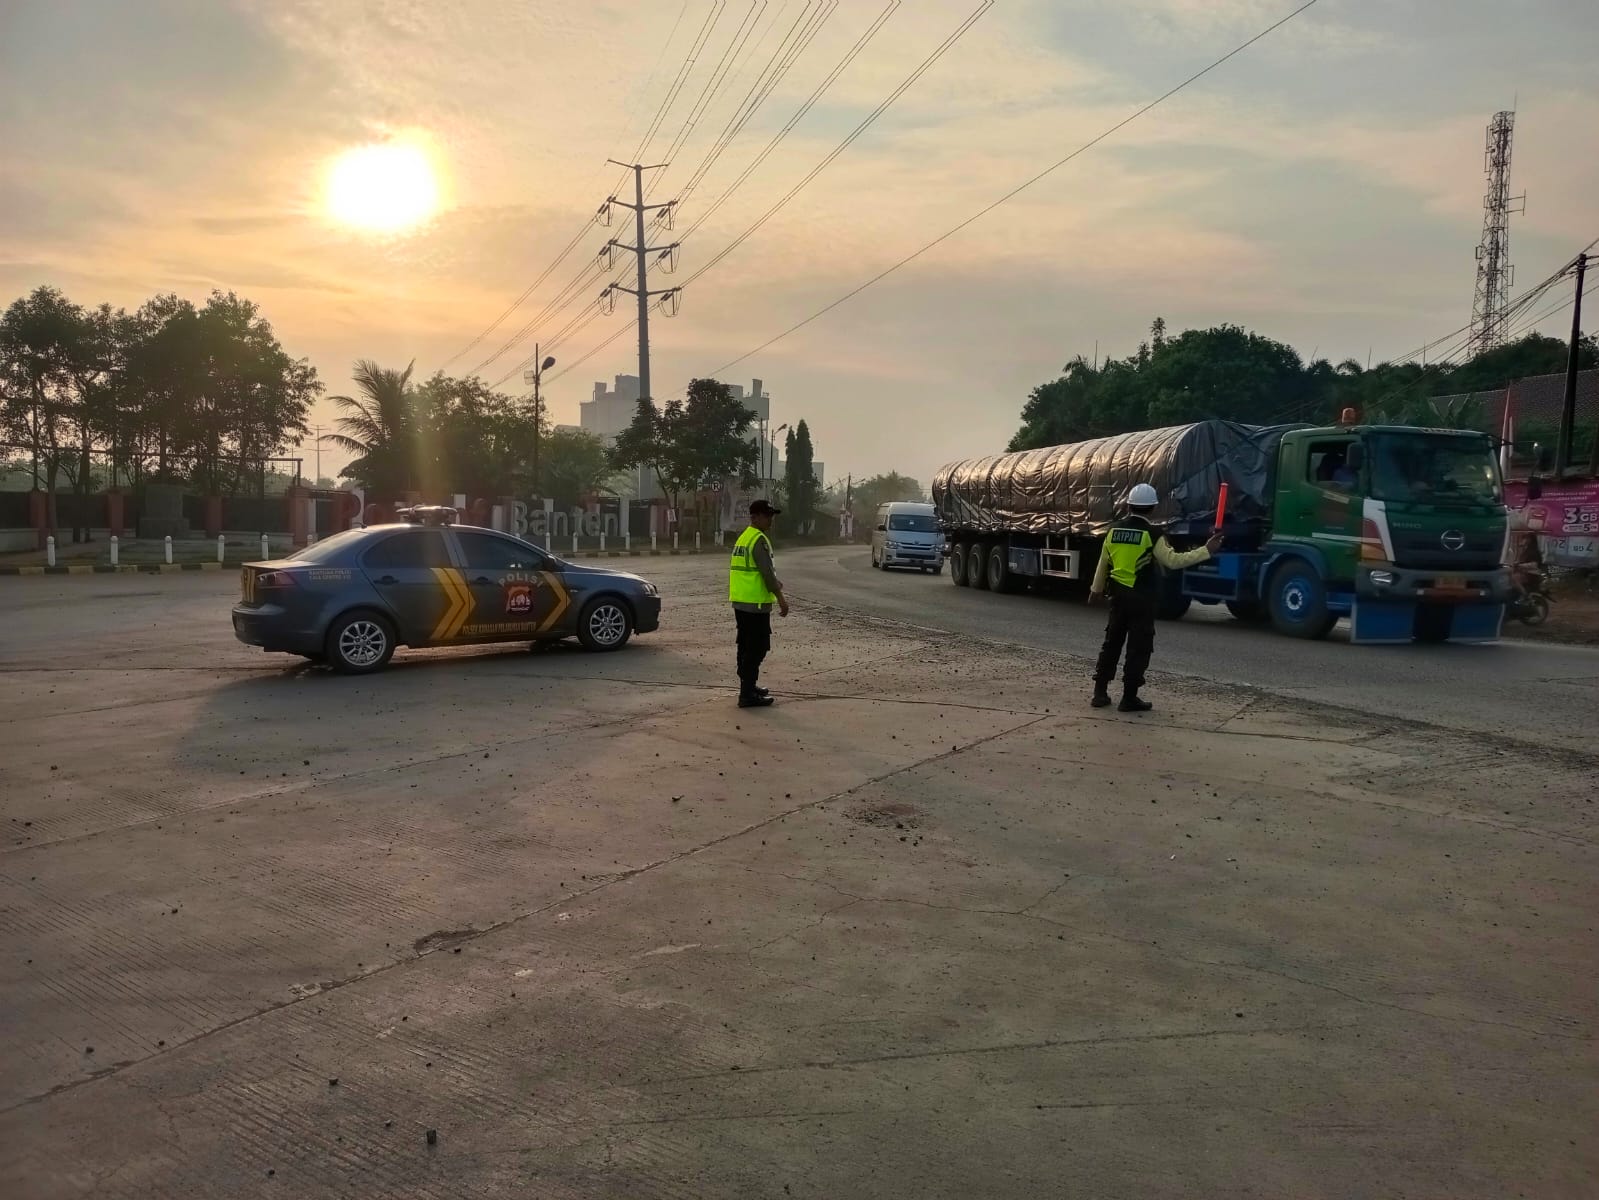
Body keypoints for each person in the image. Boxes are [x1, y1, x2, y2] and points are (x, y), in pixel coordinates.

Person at [1088, 483, 1222, 712]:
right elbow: (1173, 561)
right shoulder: (1152, 534)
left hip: (1118, 597)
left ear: (1129, 505)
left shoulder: (1113, 531)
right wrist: (1206, 550)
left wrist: (1095, 589)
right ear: (1152, 508)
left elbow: (1104, 562)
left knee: (1111, 643)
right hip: (1142, 599)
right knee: (1138, 648)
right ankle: (1129, 698)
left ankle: (1099, 693)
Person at [729, 499, 789, 708]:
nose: (770, 519)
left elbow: (753, 570)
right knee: (758, 648)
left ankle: (748, 687)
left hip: (741, 601)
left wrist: (774, 582)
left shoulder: (744, 537)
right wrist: (781, 599)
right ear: (755, 517)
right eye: (767, 515)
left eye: (771, 515)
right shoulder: (758, 540)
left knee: (745, 646)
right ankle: (746, 694)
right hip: (755, 604)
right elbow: (766, 573)